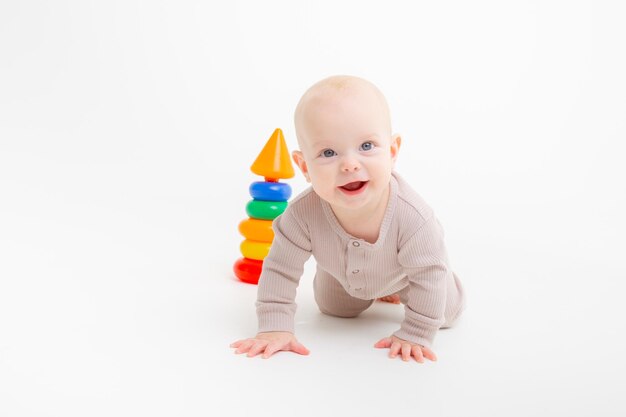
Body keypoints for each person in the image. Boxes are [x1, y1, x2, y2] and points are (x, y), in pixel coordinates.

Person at [230, 75, 465, 362]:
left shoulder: (413, 218)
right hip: (341, 275)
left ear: (392, 152)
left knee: (446, 313)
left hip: (410, 275)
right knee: (335, 310)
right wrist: (274, 326)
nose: (350, 164)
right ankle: (354, 281)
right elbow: (280, 268)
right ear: (304, 166)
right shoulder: (302, 214)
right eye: (328, 152)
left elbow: (427, 276)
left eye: (367, 146)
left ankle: (431, 281)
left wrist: (416, 332)